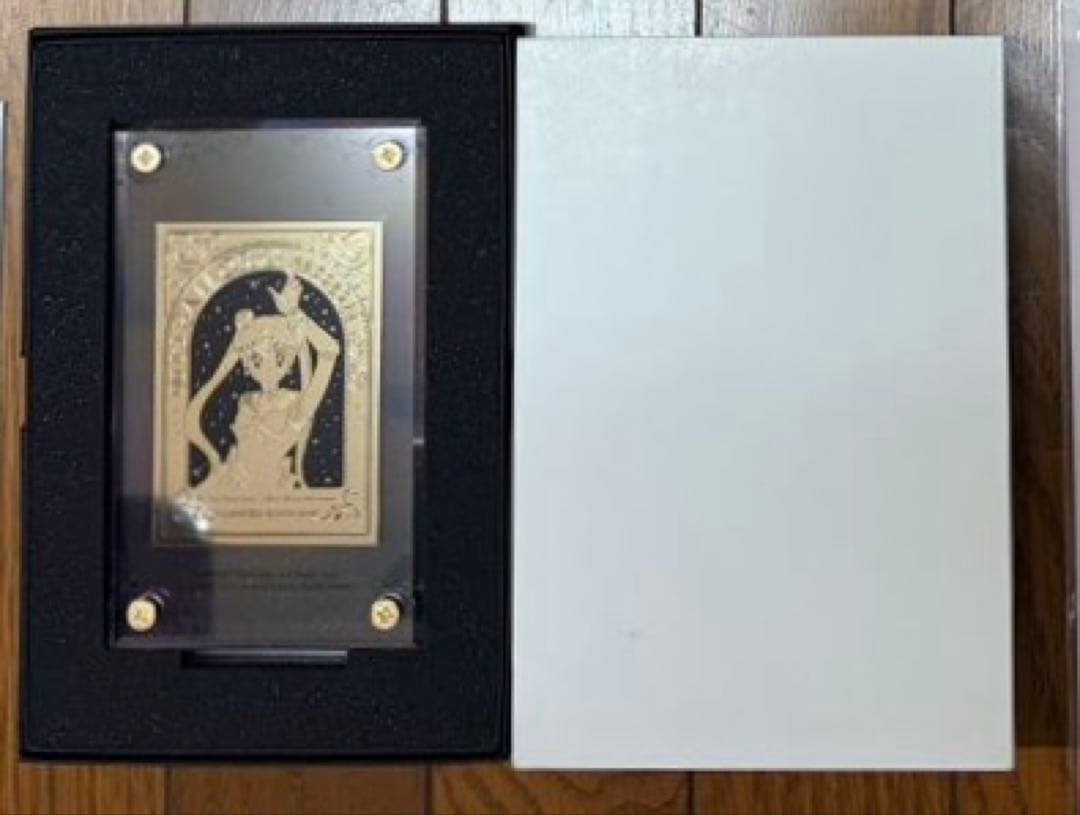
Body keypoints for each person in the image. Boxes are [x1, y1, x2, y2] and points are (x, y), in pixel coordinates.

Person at [184, 273, 340, 495]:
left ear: (289, 363)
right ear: (246, 365)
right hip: (231, 482)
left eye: (279, 358)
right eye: (256, 360)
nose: (267, 367)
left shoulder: (297, 403)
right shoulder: (246, 400)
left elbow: (330, 351)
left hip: (273, 489)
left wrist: (295, 314)